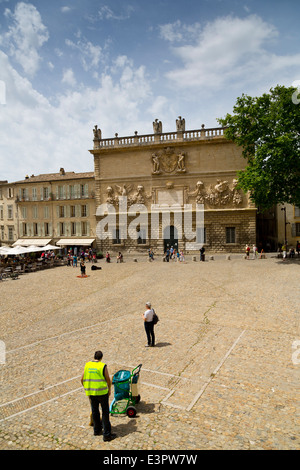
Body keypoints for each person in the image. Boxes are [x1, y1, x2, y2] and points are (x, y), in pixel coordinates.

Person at [81, 351, 116, 441]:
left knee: (95, 411)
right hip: (102, 392)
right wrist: (109, 390)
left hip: (91, 392)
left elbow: (82, 379)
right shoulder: (102, 366)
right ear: (101, 358)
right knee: (105, 412)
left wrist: (86, 388)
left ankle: (96, 430)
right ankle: (107, 435)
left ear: (94, 357)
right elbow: (108, 379)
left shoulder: (87, 365)